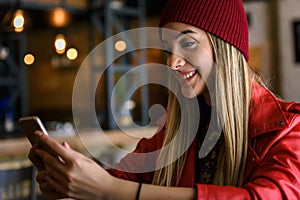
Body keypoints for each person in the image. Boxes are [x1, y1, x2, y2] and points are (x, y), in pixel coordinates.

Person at [28, 0, 300, 199]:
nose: (172, 62)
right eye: (168, 48)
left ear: (225, 47)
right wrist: (71, 183)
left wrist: (112, 190)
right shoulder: (173, 133)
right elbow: (117, 180)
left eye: (189, 43)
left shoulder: (288, 130)